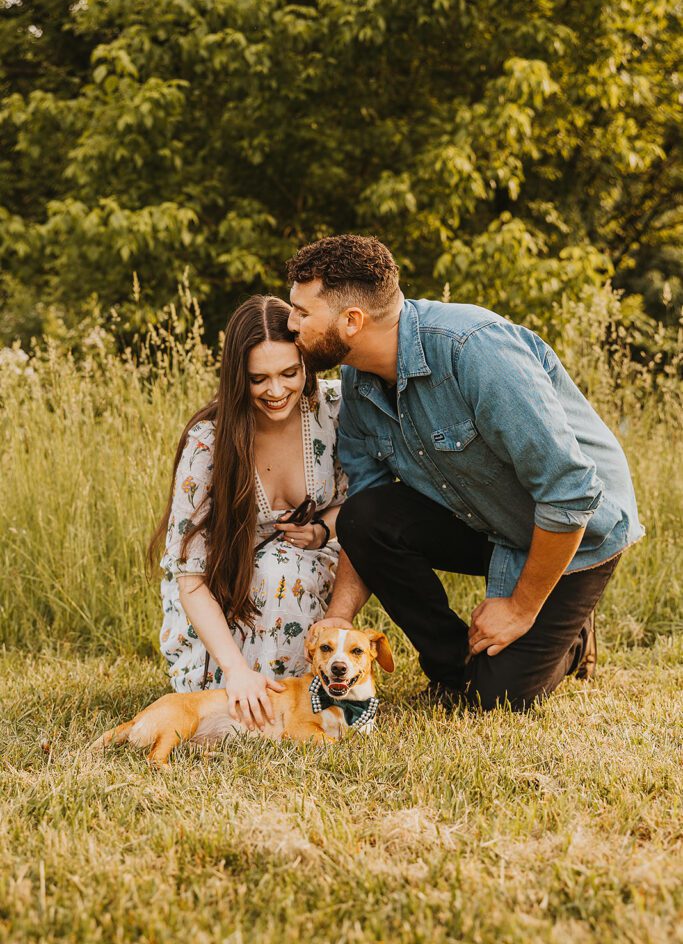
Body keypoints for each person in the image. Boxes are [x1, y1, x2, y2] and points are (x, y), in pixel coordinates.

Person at [286, 234, 644, 711]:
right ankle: (453, 666)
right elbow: (366, 510)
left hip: (577, 532)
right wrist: (338, 616)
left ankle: (572, 637)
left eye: (301, 313)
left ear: (352, 321)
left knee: (497, 700)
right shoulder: (358, 376)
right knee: (365, 517)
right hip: (484, 516)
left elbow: (571, 492)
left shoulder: (475, 350)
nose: (289, 324)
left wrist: (520, 609)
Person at [148, 294, 347, 729]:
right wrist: (236, 669)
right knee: (223, 696)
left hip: (306, 576)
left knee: (283, 567)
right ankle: (244, 678)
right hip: (224, 586)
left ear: (306, 364)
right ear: (239, 379)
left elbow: (365, 506)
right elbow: (191, 576)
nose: (276, 391)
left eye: (289, 373)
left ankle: (290, 688)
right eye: (259, 379)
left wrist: (321, 529)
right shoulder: (209, 442)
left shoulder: (335, 410)